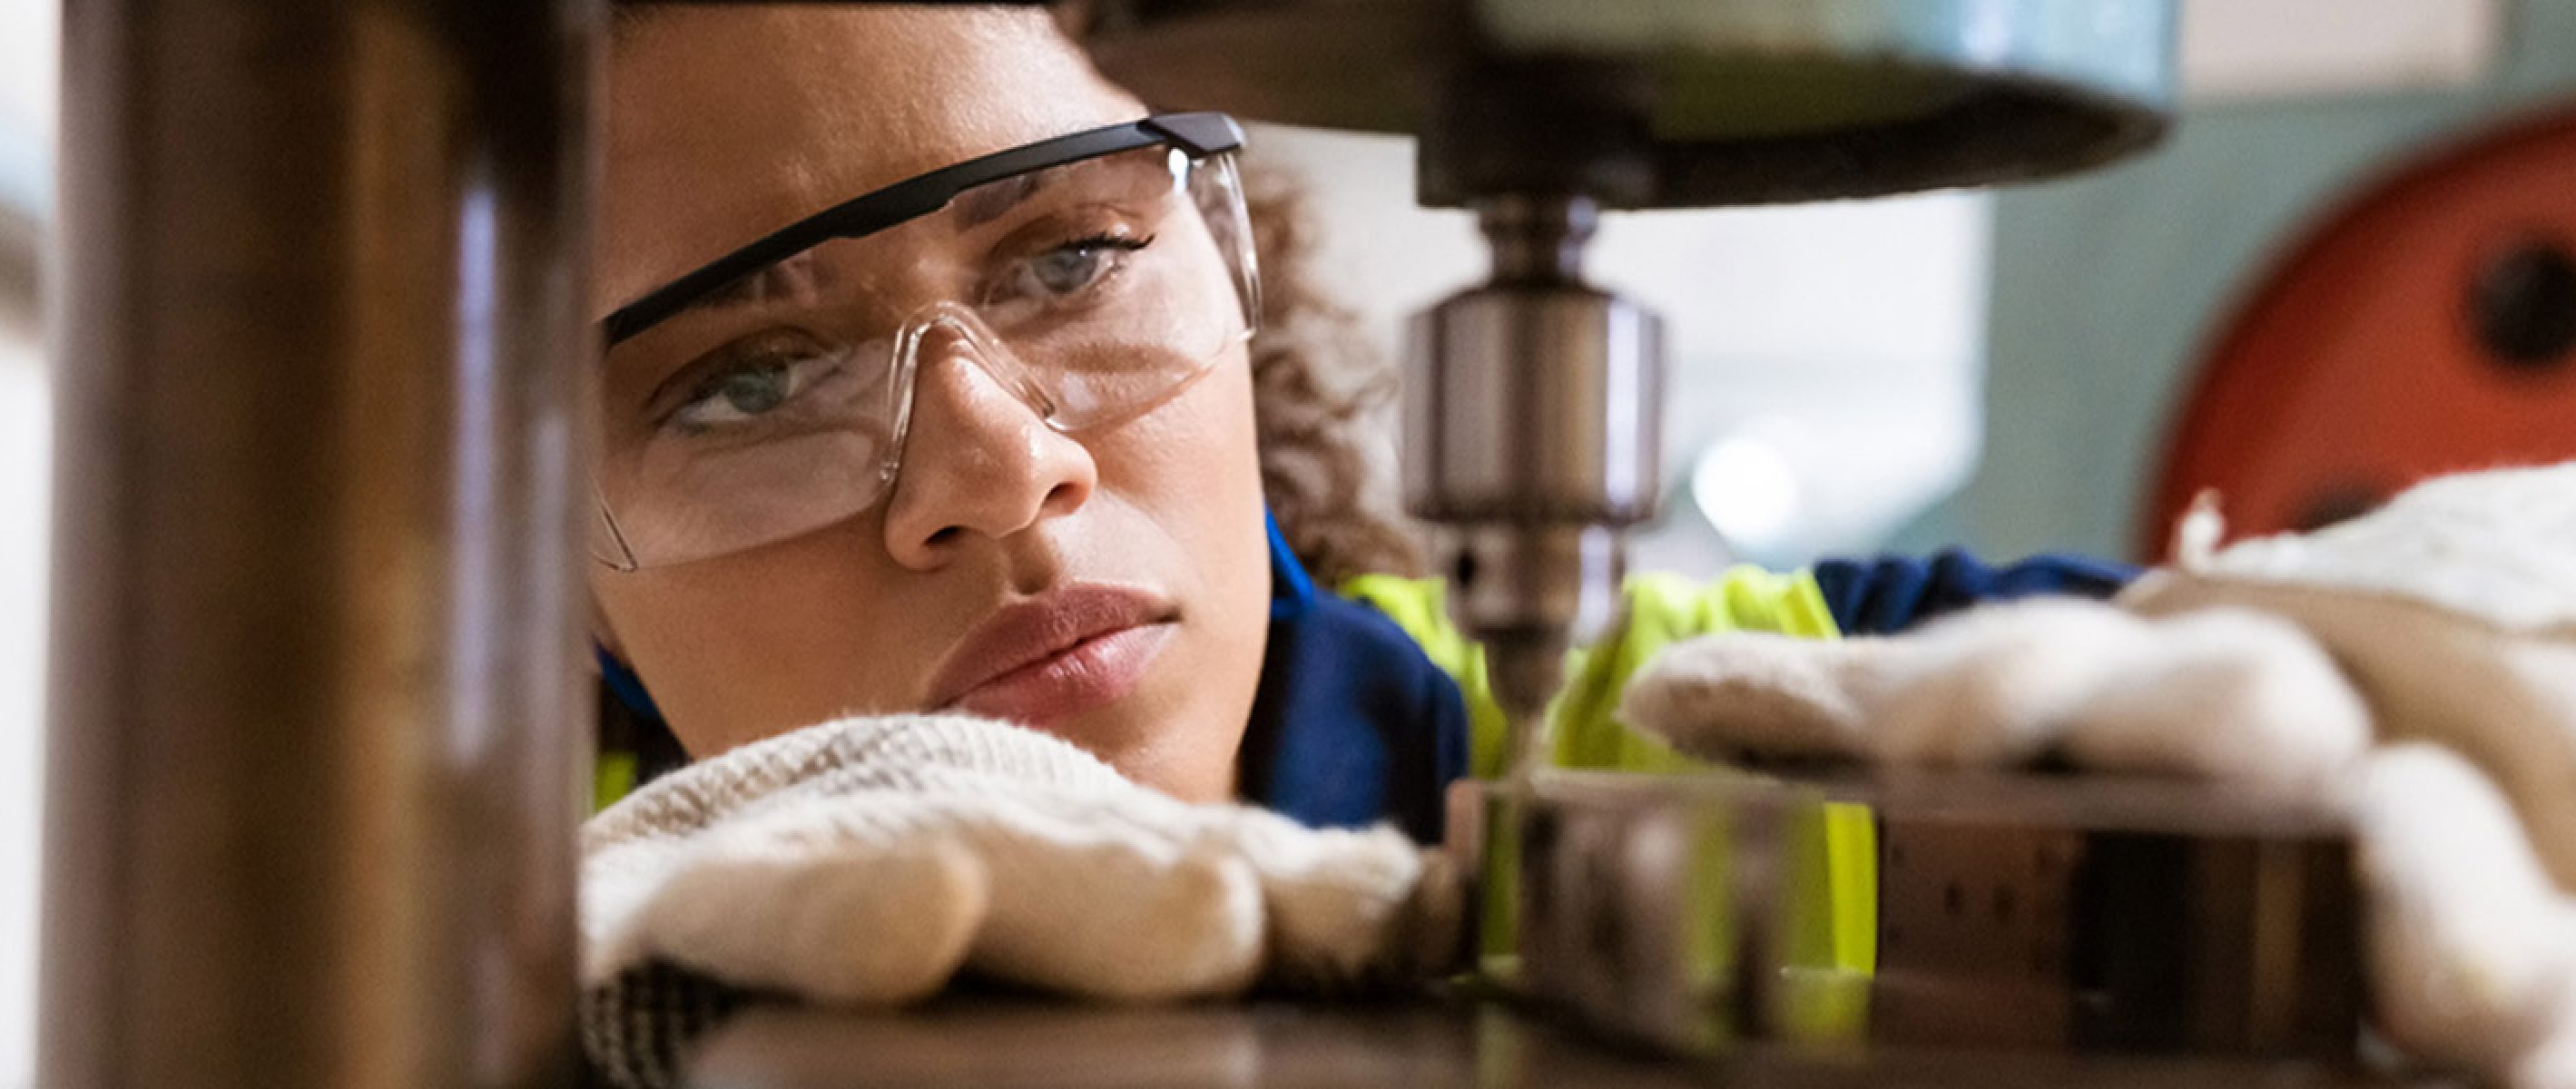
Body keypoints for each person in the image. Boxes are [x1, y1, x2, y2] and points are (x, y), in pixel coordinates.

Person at [579, 7, 2576, 1089]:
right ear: (517, 541)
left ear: (1234, 256)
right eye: (745, 384)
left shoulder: (1746, 731)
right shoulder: (429, 916)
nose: (996, 474)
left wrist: (2464, 613)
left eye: (1075, 255)